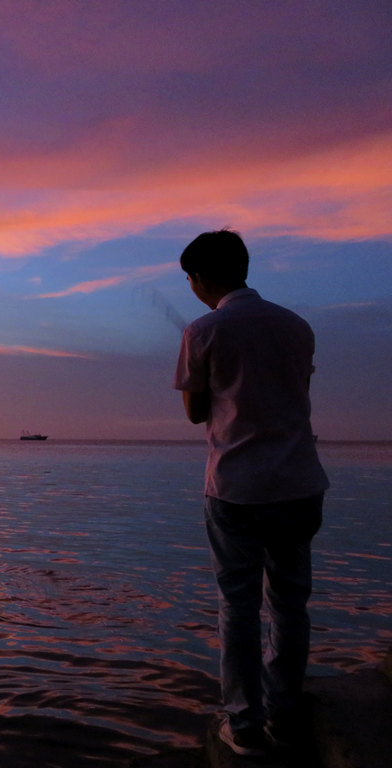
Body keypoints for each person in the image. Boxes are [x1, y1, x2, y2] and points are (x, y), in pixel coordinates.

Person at [173, 229, 328, 757]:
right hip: (299, 482)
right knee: (290, 604)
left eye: (190, 278)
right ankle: (284, 716)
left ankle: (242, 725)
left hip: (236, 486)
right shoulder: (297, 327)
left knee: (237, 607)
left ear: (202, 277)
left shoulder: (201, 330)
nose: (191, 287)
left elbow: (196, 412)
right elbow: (293, 395)